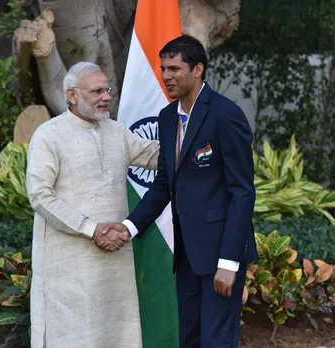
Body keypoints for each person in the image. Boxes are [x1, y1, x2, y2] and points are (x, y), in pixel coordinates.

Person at [103, 35, 258, 347]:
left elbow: (242, 192)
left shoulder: (226, 115)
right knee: (189, 337)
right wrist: (129, 226)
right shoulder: (167, 117)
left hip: (220, 255)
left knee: (217, 340)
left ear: (198, 69)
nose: (166, 75)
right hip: (186, 254)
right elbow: (164, 185)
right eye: (163, 68)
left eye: (174, 68)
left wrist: (228, 262)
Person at [25, 61, 160, 348]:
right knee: (74, 336)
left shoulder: (116, 132)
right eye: (97, 91)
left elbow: (157, 157)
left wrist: (196, 131)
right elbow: (39, 195)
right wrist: (90, 229)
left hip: (115, 260)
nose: (107, 97)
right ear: (72, 96)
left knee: (117, 334)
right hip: (70, 262)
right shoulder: (49, 135)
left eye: (107, 89)